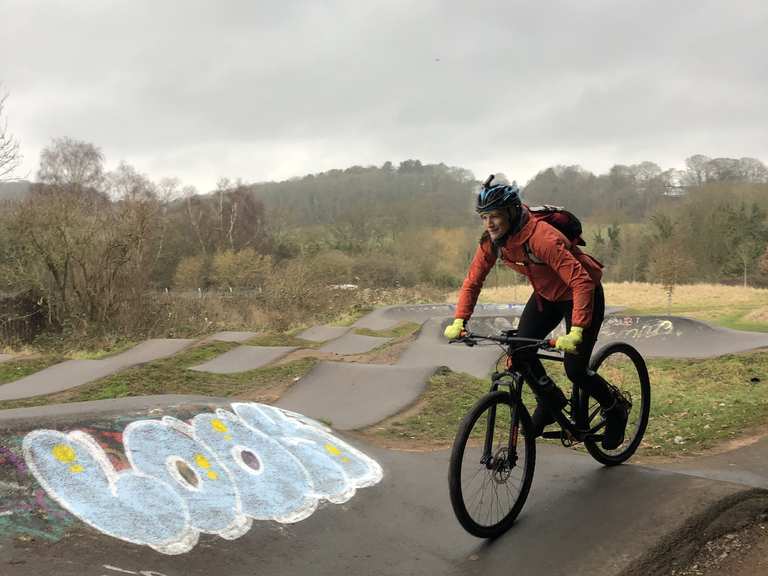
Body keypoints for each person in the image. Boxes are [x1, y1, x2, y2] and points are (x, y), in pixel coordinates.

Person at [444, 174, 628, 449]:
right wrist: (460, 320)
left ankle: (616, 409)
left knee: (575, 369)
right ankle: (551, 399)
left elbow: (581, 281)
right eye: (484, 217)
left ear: (511, 212)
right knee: (519, 352)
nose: (489, 223)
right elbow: (473, 281)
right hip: (546, 296)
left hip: (582, 293)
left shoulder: (542, 238)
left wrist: (576, 329)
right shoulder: (492, 242)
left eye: (494, 215)